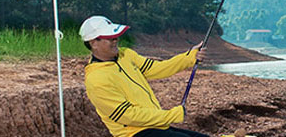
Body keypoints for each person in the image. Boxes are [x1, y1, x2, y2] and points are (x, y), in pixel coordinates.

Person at [79, 15, 210, 137]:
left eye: (115, 35)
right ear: (93, 43)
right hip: (134, 133)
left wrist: (190, 57)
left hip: (156, 126)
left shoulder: (126, 55)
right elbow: (128, 115)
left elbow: (157, 68)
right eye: (109, 37)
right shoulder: (96, 79)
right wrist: (170, 115)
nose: (115, 40)